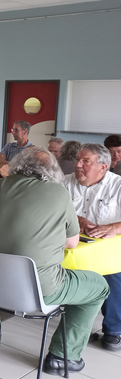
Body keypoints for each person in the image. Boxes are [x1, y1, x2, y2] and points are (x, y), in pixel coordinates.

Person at [0, 147, 109, 374]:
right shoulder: (58, 192)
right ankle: (63, 356)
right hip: (35, 289)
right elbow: (72, 242)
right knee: (99, 287)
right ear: (52, 170)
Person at [63, 144, 121, 351]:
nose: (78, 165)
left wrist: (114, 227)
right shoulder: (65, 182)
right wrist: (76, 219)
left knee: (113, 276)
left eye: (85, 161)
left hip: (108, 251)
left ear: (103, 166)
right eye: (78, 160)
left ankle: (114, 331)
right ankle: (78, 328)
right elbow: (52, 210)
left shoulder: (118, 186)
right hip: (73, 246)